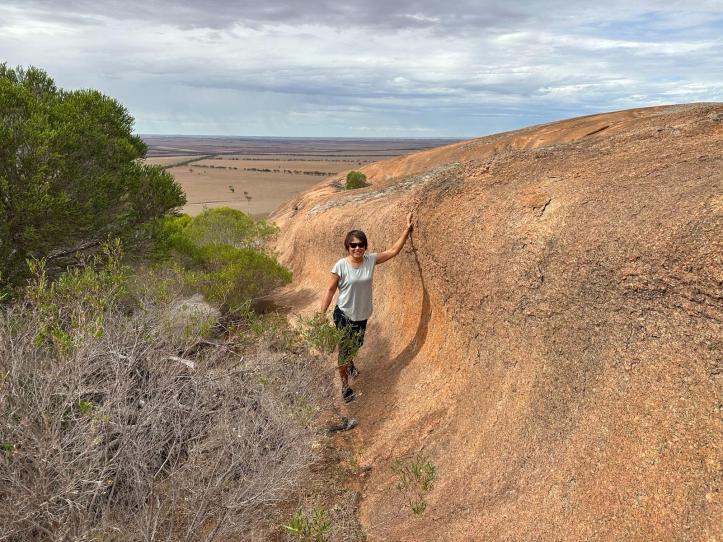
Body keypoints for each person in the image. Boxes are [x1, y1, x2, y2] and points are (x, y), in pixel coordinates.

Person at [319, 212, 414, 402]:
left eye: (361, 245)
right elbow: (330, 290)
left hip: (362, 315)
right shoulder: (340, 266)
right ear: (347, 247)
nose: (357, 248)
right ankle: (345, 387)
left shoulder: (370, 260)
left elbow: (393, 251)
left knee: (356, 345)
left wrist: (407, 229)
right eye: (353, 245)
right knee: (345, 351)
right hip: (344, 314)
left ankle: (350, 363)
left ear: (365, 246)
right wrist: (321, 314)